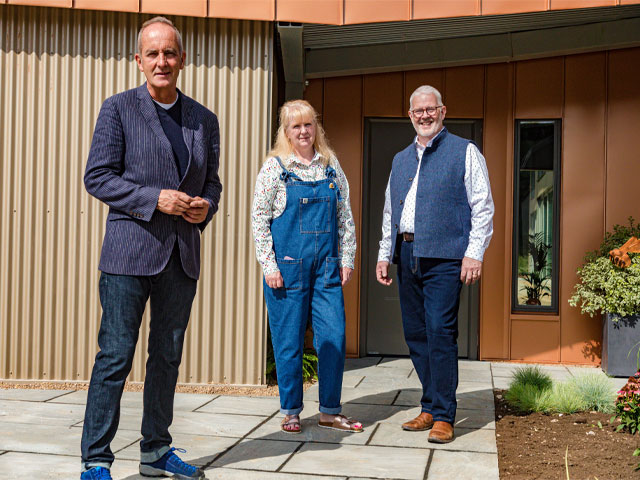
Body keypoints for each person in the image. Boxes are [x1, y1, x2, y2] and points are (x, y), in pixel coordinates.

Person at [80, 17, 222, 480]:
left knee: (167, 356)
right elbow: (97, 176)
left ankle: (156, 451)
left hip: (181, 256)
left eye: (170, 53)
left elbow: (213, 183)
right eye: (153, 54)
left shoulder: (204, 119)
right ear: (138, 60)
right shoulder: (118, 109)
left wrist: (207, 207)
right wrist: (153, 198)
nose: (162, 61)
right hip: (128, 255)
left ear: (182, 59)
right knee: (116, 354)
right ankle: (97, 458)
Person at [375, 85, 494, 443]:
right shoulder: (400, 159)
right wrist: (385, 253)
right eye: (417, 111)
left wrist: (475, 253)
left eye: (431, 109)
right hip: (407, 254)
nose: (424, 115)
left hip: (445, 257)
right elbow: (389, 211)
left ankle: (444, 415)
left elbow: (483, 206)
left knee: (440, 332)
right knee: (415, 334)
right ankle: (429, 406)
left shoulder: (465, 152)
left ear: (443, 111)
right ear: (409, 116)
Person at [251, 99, 362, 434]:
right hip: (286, 269)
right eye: (296, 126)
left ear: (317, 128)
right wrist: (268, 265)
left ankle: (329, 410)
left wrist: (347, 257)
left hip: (327, 267)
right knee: (288, 340)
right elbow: (259, 220)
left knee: (334, 337)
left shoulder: (330, 166)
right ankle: (291, 411)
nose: (303, 131)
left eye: (308, 124)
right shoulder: (274, 168)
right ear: (286, 132)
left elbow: (345, 217)